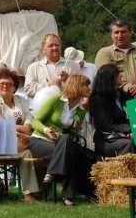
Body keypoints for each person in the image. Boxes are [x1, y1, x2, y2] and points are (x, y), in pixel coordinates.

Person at [29, 74, 94, 206]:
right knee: (69, 150)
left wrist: (76, 129)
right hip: (40, 140)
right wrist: (46, 130)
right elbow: (34, 121)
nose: (89, 88)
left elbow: (73, 132)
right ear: (76, 86)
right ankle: (68, 197)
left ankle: (52, 172)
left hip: (61, 143)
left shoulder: (81, 110)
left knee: (72, 148)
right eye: (85, 85)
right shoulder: (56, 100)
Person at [0, 67, 41, 202]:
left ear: (15, 87)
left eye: (9, 84)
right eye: (2, 84)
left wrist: (27, 126)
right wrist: (21, 128)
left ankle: (29, 194)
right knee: (34, 146)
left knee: (27, 154)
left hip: (22, 143)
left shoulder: (21, 100)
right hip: (2, 141)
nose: (5, 86)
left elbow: (31, 117)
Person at [94, 19, 136, 105]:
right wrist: (128, 88)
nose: (120, 35)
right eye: (116, 32)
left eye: (123, 32)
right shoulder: (104, 53)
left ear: (130, 33)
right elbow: (105, 77)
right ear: (111, 35)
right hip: (118, 101)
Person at [89, 63, 136, 157]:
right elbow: (106, 126)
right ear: (109, 79)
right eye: (117, 75)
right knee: (128, 144)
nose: (121, 76)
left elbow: (134, 114)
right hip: (107, 140)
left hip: (127, 134)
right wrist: (130, 129)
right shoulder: (97, 100)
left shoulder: (123, 95)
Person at [24, 34, 67, 98]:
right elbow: (28, 90)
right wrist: (48, 85)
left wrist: (68, 80)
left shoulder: (71, 65)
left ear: (61, 47)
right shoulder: (33, 67)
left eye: (57, 45)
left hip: (67, 106)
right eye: (51, 45)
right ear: (43, 50)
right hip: (43, 107)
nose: (54, 47)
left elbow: (78, 87)